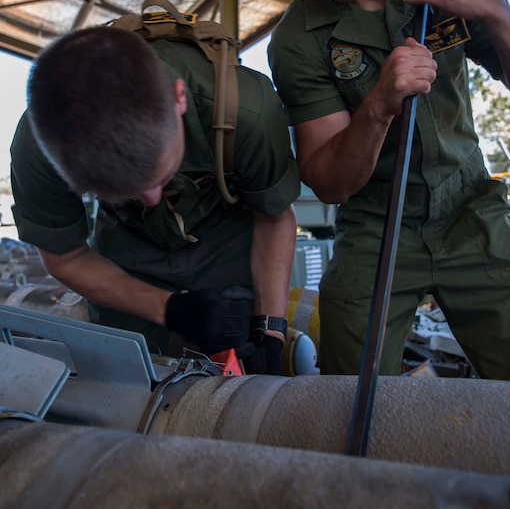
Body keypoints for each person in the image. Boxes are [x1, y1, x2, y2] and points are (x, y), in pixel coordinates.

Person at [268, 0, 510, 380]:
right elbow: (328, 183)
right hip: (375, 227)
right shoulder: (296, 40)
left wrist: (494, 8)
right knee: (348, 392)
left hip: (471, 210)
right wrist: (378, 106)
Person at [10, 24, 300, 373]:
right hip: (124, 257)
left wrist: (271, 330)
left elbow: (274, 217)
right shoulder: (41, 147)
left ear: (180, 98)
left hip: (228, 241)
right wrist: (167, 307)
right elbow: (66, 255)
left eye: (162, 175)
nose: (150, 200)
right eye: (121, 191)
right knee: (126, 383)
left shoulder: (246, 111)